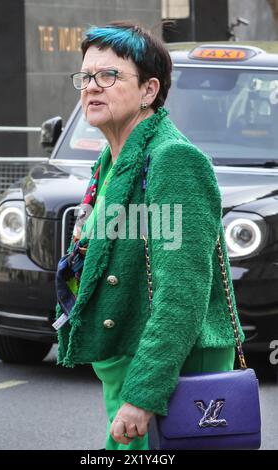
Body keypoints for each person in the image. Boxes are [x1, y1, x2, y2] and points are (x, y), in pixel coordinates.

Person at [54, 22, 245, 451]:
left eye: (109, 76)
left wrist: (143, 394)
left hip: (172, 373)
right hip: (129, 364)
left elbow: (183, 291)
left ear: (148, 90)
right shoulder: (113, 159)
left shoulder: (172, 159)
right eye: (85, 77)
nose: (91, 87)